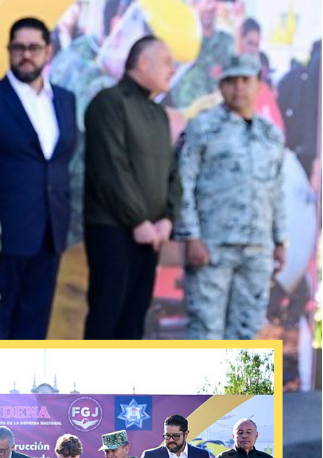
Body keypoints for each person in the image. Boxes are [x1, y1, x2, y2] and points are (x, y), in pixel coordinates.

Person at [0, 17, 78, 339]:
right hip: (3, 235)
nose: (26, 55)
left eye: (34, 48)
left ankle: (26, 375)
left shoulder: (65, 100)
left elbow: (60, 162)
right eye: (18, 48)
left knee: (35, 325)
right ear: (8, 50)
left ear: (48, 51)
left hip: (51, 233)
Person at [174, 53, 288, 340]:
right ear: (221, 85)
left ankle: (240, 375)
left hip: (257, 249)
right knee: (206, 331)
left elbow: (277, 189)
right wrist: (191, 237)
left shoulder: (271, 134)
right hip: (212, 247)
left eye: (245, 80)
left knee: (247, 332)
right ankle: (208, 376)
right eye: (231, 81)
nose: (239, 88)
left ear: (258, 84)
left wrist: (280, 240)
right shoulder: (202, 128)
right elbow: (183, 183)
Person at [82, 35, 182, 340]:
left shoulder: (158, 114)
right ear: (143, 62)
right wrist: (138, 221)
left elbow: (171, 171)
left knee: (134, 321)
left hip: (150, 237)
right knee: (106, 318)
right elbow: (110, 170)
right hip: (113, 231)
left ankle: (124, 377)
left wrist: (167, 219)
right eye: (167, 62)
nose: (173, 69)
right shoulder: (108, 103)